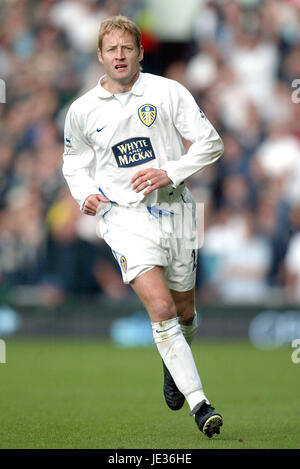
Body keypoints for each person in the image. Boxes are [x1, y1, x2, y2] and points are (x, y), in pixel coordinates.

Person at [62, 15, 224, 438]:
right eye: (111, 49)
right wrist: (85, 195)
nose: (119, 55)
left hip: (179, 211)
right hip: (123, 216)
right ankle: (200, 405)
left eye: (126, 48)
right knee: (162, 309)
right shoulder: (81, 110)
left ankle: (174, 363)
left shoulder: (168, 91)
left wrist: (169, 171)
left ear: (140, 52)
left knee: (186, 312)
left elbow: (211, 142)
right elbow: (74, 163)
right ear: (100, 56)